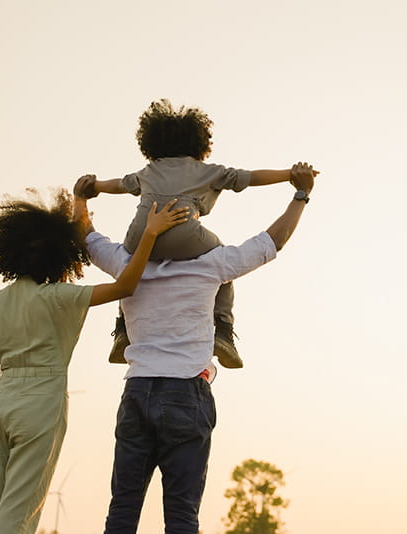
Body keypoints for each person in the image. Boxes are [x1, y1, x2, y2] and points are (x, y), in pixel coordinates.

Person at [73, 162, 316, 534]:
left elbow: (88, 239)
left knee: (122, 508)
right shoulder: (211, 265)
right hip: (187, 390)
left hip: (138, 388)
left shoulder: (127, 263)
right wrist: (299, 195)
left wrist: (82, 198)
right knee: (181, 514)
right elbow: (271, 241)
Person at [0, 189, 190, 534]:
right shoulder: (61, 297)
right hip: (40, 401)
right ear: (58, 254)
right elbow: (128, 284)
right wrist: (150, 234)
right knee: (15, 518)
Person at [76, 98, 312, 369]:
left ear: (151, 144)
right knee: (221, 257)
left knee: (128, 269)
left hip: (140, 238)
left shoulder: (148, 171)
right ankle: (223, 329)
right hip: (186, 236)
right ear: (200, 144)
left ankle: (122, 330)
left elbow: (118, 184)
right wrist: (289, 175)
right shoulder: (208, 171)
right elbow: (251, 178)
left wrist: (94, 188)